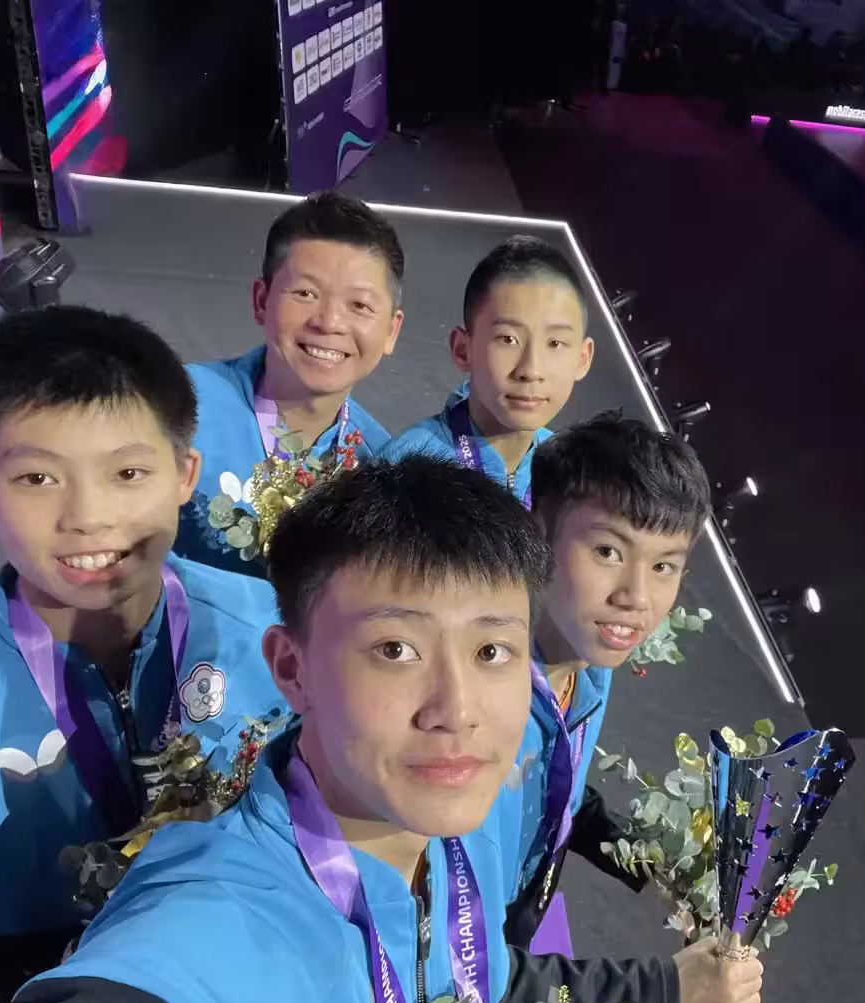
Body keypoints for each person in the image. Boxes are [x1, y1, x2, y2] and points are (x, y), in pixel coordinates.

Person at [0, 459, 761, 1003]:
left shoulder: (454, 822)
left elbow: (475, 985)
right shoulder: (224, 918)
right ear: (291, 667)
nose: (457, 707)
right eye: (395, 649)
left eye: (492, 650)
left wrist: (665, 991)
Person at [0, 307, 283, 1003]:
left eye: (128, 472)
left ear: (185, 475)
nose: (88, 517)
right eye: (37, 478)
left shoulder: (281, 639)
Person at [504, 415, 713, 949]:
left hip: (523, 920)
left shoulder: (589, 663)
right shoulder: (472, 707)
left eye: (664, 567)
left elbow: (558, 796)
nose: (635, 597)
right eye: (608, 553)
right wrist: (672, 988)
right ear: (537, 534)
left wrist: (651, 868)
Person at [174, 191, 405, 575]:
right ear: (261, 301)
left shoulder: (379, 467)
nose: (329, 322)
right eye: (305, 294)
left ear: (391, 331)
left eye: (360, 305)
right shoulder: (177, 405)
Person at [380, 236, 592, 505]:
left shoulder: (573, 475)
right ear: (462, 350)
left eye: (555, 343)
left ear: (583, 359)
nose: (531, 370)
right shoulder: (402, 471)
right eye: (508, 339)